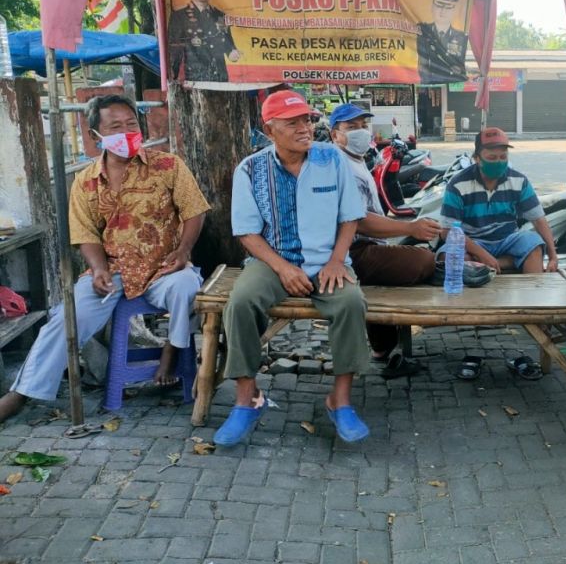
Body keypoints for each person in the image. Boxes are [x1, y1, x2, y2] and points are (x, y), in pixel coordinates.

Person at [0, 95, 208, 424]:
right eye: (115, 126)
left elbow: (195, 212)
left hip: (165, 267)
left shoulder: (168, 165)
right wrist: (97, 269)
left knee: (187, 288)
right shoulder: (85, 182)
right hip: (113, 271)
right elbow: (86, 234)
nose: (126, 131)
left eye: (131, 124)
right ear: (97, 135)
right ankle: (21, 393)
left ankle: (173, 349)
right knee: (67, 316)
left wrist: (182, 252)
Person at [216, 88, 370, 446]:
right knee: (240, 302)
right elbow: (247, 232)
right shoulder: (250, 169)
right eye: (293, 122)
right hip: (271, 261)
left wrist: (336, 260)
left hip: (327, 263)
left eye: (308, 120)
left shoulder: (332, 159)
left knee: (350, 303)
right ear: (270, 131)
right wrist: (283, 268)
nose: (305, 128)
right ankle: (247, 399)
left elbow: (351, 218)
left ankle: (340, 400)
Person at [329, 103, 441, 365]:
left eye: (363, 126)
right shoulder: (341, 166)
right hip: (353, 251)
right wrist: (410, 227)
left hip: (366, 248)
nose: (360, 132)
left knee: (392, 268)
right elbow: (360, 222)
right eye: (351, 127)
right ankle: (385, 342)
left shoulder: (355, 160)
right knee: (423, 261)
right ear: (335, 134)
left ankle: (382, 347)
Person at [441, 127, 558, 275]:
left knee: (534, 246)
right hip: (473, 241)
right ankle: (506, 262)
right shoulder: (457, 184)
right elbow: (447, 232)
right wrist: (483, 254)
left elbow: (538, 220)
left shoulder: (519, 181)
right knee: (449, 257)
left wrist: (553, 256)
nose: (498, 162)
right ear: (477, 158)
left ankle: (531, 295)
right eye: (491, 158)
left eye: (503, 157)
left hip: (508, 239)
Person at [167, 0, 241, 83]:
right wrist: (174, 78)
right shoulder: (179, 17)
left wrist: (233, 53)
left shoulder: (220, 15)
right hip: (194, 79)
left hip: (220, 77)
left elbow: (228, 44)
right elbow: (174, 51)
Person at [416, 0, 468, 84]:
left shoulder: (461, 37)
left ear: (453, 11)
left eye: (448, 7)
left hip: (451, 84)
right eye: (439, 5)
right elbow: (422, 64)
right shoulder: (423, 31)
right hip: (429, 84)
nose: (443, 11)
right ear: (432, 7)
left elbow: (460, 66)